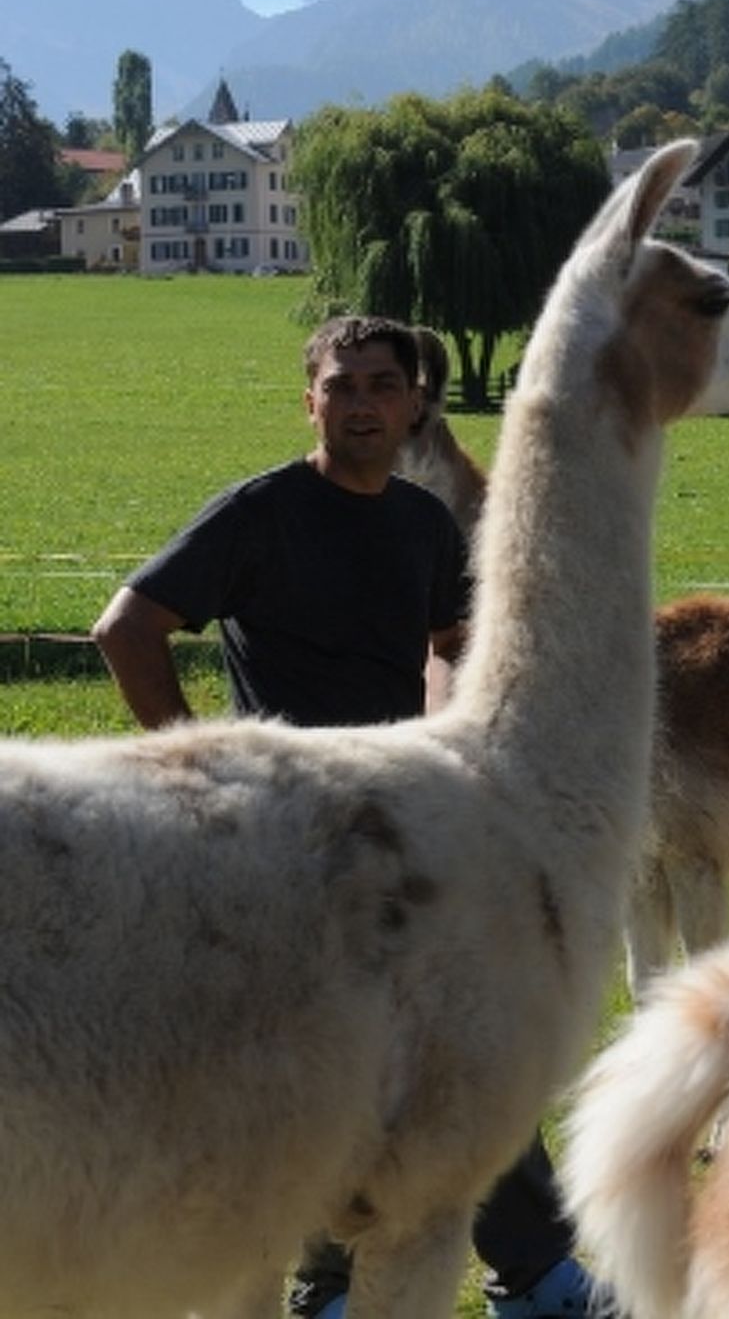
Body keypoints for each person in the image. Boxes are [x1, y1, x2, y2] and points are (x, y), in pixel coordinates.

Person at [92, 314, 592, 1319]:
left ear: (413, 406)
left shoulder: (421, 522)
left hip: (401, 823)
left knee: (466, 1044)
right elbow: (127, 629)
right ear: (310, 401)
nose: (361, 404)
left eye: (381, 386)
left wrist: (440, 728)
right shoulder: (261, 514)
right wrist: (200, 770)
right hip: (286, 841)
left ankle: (540, 1277)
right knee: (321, 1066)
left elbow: (451, 638)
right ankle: (335, 1287)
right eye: (341, 385)